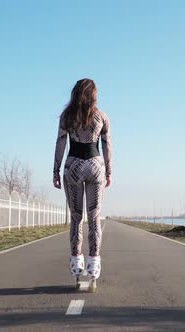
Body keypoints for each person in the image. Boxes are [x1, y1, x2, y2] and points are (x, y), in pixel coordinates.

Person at [53, 78, 112, 291]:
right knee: (94, 218)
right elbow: (107, 145)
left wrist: (56, 170)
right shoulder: (101, 117)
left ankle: (77, 271)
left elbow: (60, 143)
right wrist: (109, 171)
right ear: (94, 95)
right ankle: (93, 270)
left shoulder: (67, 117)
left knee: (76, 219)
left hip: (73, 167)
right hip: (95, 166)